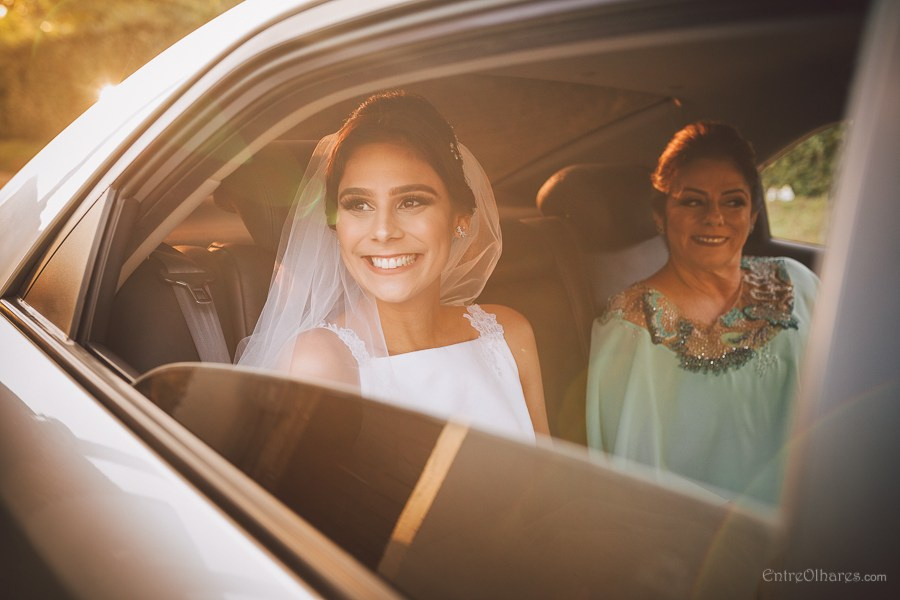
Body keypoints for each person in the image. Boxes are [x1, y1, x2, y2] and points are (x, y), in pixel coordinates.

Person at [238, 91, 549, 442]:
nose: (384, 231)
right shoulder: (318, 363)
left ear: (459, 217)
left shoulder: (508, 333)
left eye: (411, 201)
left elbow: (552, 486)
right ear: (336, 224)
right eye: (360, 205)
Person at [585, 122, 818, 503]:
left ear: (754, 214)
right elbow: (633, 475)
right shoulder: (630, 328)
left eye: (733, 201)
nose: (714, 216)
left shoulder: (797, 283)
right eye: (692, 201)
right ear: (660, 215)